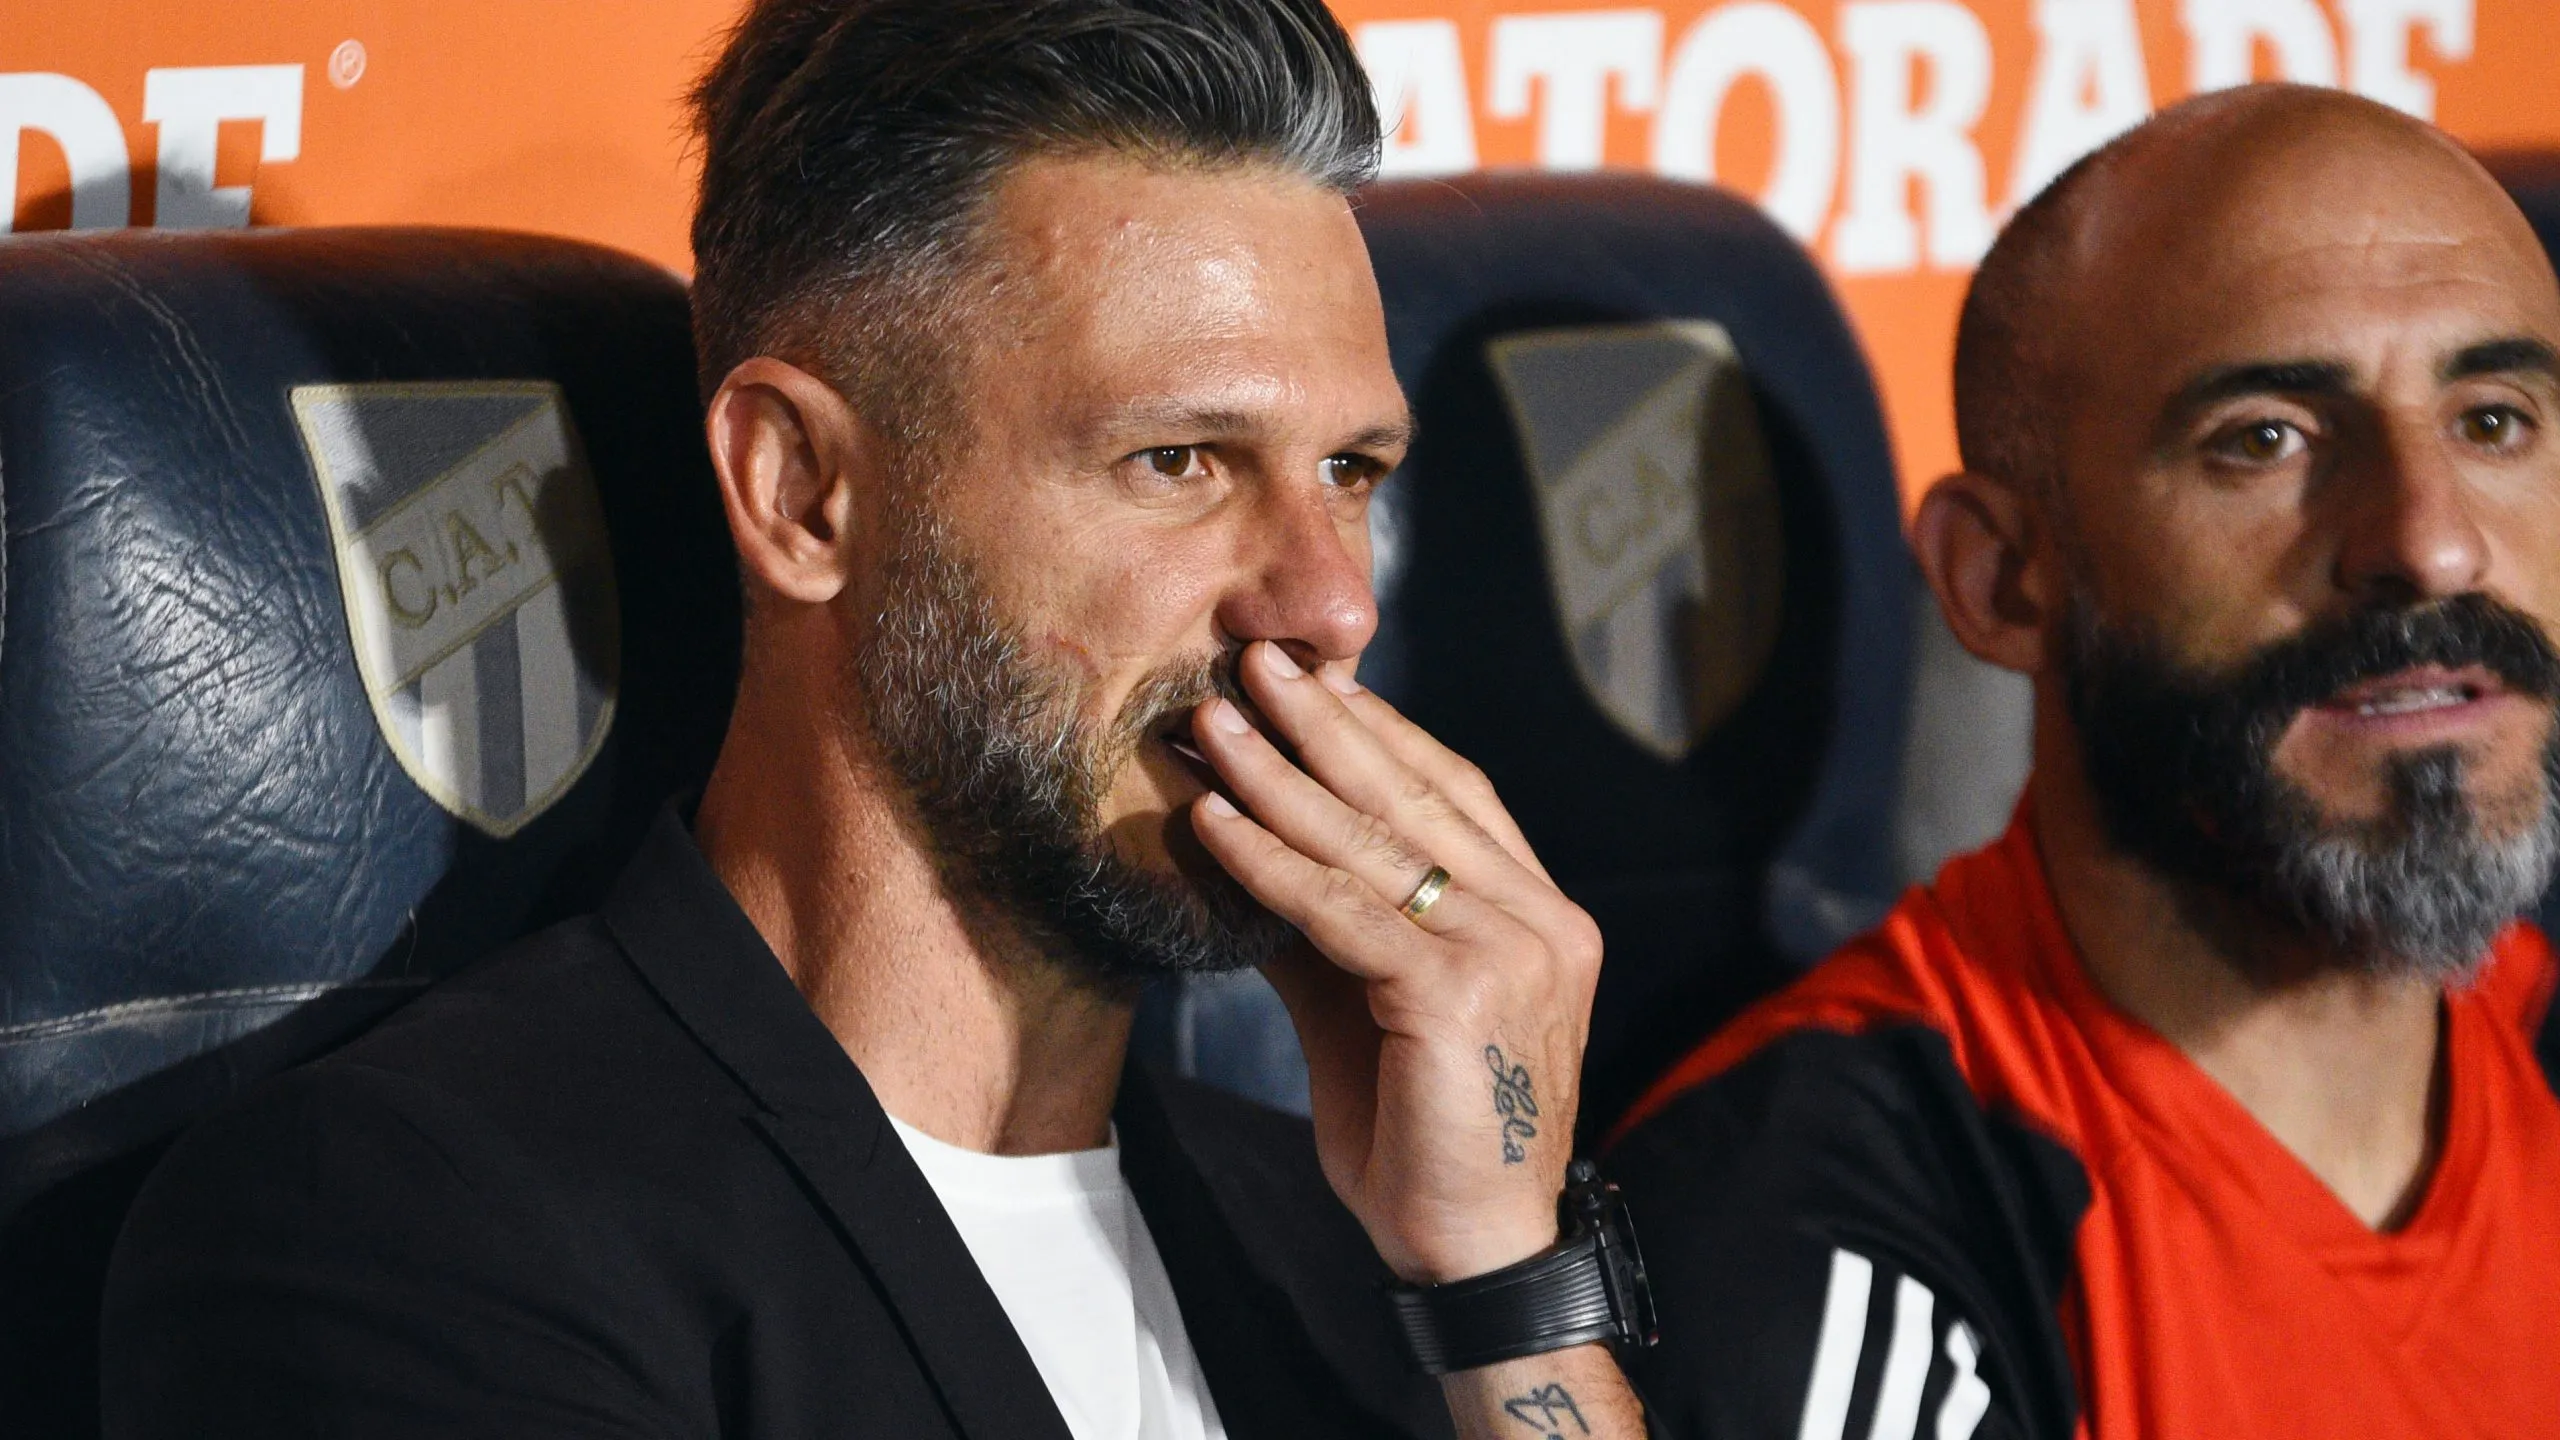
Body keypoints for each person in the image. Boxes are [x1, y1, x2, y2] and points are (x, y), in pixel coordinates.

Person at [98, 3, 1653, 1437]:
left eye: (1348, 473)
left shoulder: (1367, 1239)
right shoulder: (405, 1231)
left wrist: (1504, 1296)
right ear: (801, 492)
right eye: (1177, 460)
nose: (1326, 603)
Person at [1608, 84, 2560, 1440]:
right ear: (2002, 580)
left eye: (2494, 420)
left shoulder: (2540, 1043)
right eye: (2265, 440)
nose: (2431, 541)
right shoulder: (1818, 1237)